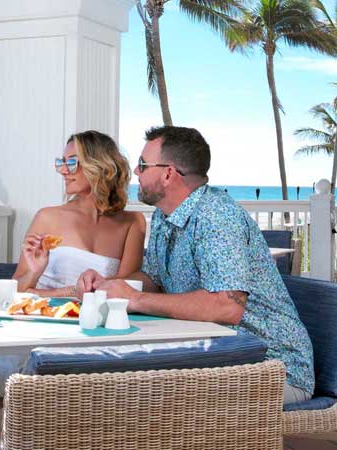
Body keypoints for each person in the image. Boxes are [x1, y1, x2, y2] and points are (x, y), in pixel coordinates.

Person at [77, 126, 314, 405]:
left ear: (168, 174)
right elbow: (153, 277)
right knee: (119, 385)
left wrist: (137, 299)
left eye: (142, 165)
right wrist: (109, 288)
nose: (136, 173)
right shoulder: (165, 216)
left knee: (144, 398)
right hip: (218, 358)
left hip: (270, 369)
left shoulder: (217, 217)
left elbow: (227, 306)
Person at [0, 130, 146, 397]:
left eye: (72, 162)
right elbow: (13, 297)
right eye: (61, 162)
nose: (63, 170)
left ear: (100, 166)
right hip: (39, 327)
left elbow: (124, 293)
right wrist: (36, 272)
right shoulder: (48, 217)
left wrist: (92, 296)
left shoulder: (133, 223)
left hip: (94, 331)